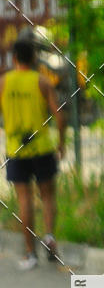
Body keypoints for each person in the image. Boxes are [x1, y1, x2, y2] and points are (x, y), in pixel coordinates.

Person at [0, 39, 66, 269]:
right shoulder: (42, 82)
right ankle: (49, 236)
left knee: (24, 199)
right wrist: (62, 144)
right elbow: (60, 116)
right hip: (42, 149)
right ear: (34, 58)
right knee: (47, 195)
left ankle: (30, 253)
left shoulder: (4, 83)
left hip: (16, 150)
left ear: (15, 58)